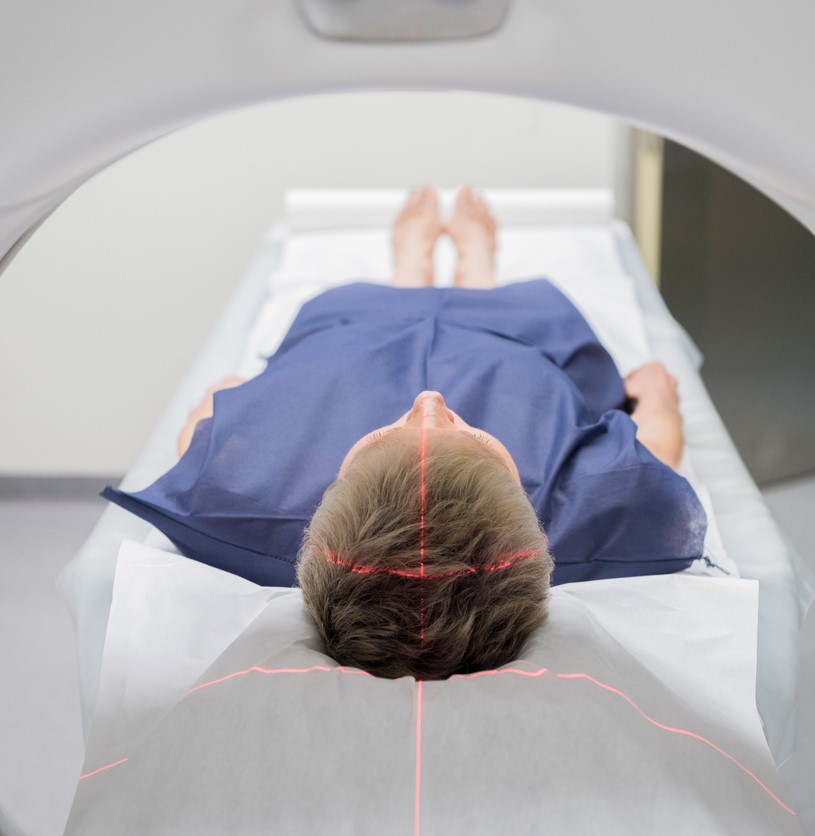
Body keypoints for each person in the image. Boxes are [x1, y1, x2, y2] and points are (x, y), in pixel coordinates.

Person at [107, 186, 706, 682]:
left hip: (354, 339)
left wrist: (227, 390)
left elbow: (200, 428)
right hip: (515, 349)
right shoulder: (583, 515)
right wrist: (656, 396)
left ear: (336, 487)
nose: (428, 402)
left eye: (384, 437)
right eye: (467, 436)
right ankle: (476, 270)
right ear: (518, 502)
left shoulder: (240, 497)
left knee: (346, 322)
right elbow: (654, 456)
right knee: (532, 333)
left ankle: (408, 270)